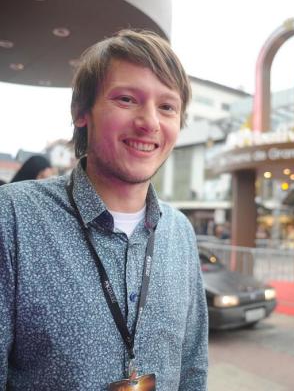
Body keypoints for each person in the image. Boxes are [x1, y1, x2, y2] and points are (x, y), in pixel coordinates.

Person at [0, 29, 208, 390]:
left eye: (167, 106)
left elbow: (192, 367)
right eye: (127, 99)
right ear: (82, 112)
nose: (150, 122)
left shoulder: (180, 232)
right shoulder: (13, 218)